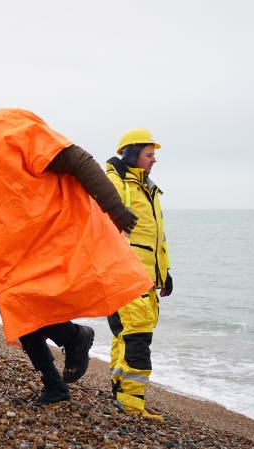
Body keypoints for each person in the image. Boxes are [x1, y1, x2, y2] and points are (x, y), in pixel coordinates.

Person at [0, 88, 154, 406]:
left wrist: (114, 208)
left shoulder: (13, 129)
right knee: (15, 304)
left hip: (53, 234)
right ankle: (62, 369)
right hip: (9, 253)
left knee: (22, 304)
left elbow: (76, 159)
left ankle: (71, 349)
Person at [105, 128, 173, 421]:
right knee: (137, 336)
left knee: (126, 335)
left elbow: (156, 237)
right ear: (133, 154)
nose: (154, 159)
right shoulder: (116, 182)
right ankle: (133, 404)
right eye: (149, 154)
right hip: (124, 274)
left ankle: (121, 395)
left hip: (146, 277)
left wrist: (165, 273)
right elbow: (106, 225)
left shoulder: (148, 188)